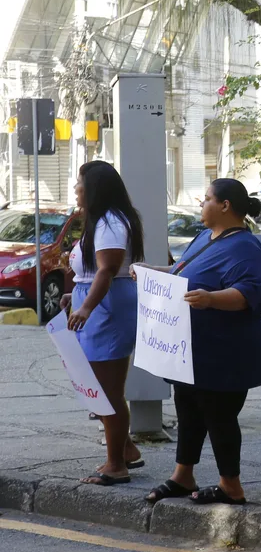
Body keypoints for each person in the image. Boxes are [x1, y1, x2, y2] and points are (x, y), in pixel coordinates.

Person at [141, 179, 261, 505]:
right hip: (193, 349)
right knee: (188, 410)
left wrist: (211, 299)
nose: (202, 203)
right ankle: (182, 476)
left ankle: (232, 486)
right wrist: (153, 272)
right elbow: (184, 271)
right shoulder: (204, 237)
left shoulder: (244, 246)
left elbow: (249, 292)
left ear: (225, 205)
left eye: (207, 199)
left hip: (225, 351)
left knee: (219, 415)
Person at [62, 161, 145, 486]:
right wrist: (76, 297)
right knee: (101, 387)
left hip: (107, 308)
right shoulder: (102, 220)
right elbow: (91, 272)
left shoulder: (110, 222)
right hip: (98, 302)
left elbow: (107, 270)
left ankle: (115, 466)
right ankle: (125, 450)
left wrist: (86, 307)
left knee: (107, 392)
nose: (76, 188)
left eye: (80, 182)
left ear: (94, 188)